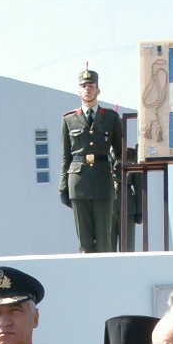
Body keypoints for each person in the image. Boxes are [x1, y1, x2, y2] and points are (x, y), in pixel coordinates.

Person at [59, 68, 123, 253]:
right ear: (79, 91)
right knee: (85, 244)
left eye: (91, 86)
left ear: (98, 90)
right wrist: (63, 186)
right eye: (84, 86)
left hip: (103, 181)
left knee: (104, 243)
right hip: (78, 183)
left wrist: (117, 178)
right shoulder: (69, 120)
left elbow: (119, 154)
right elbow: (66, 156)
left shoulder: (110, 117)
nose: (87, 89)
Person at [113, 148, 143, 252]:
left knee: (128, 248)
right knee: (107, 249)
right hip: (107, 209)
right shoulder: (101, 153)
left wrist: (140, 211)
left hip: (127, 208)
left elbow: (139, 186)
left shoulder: (129, 154)